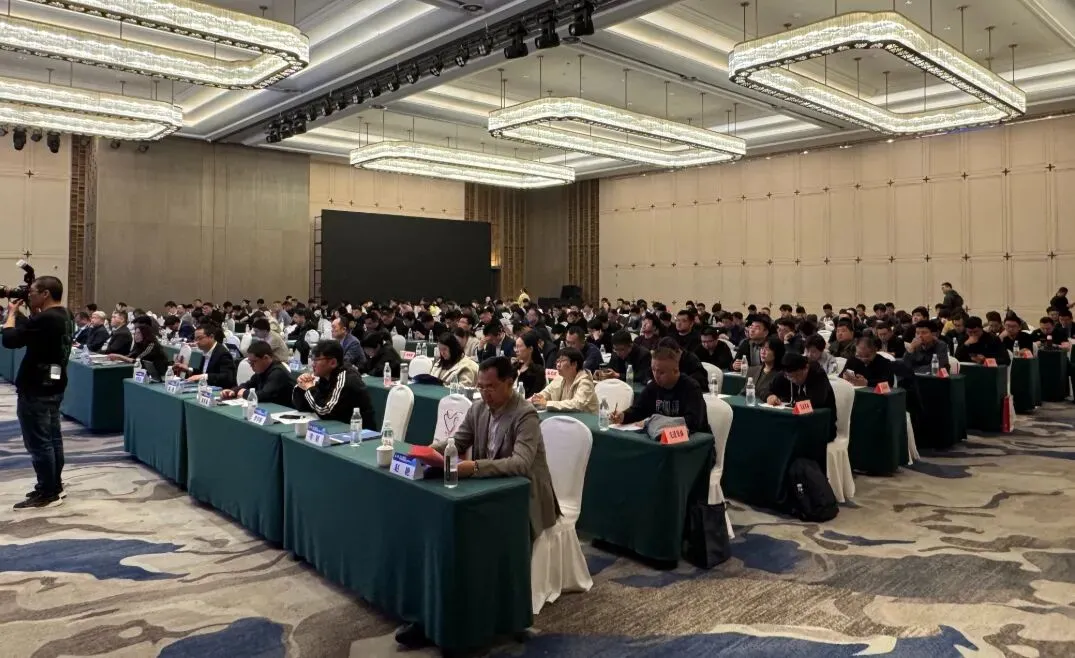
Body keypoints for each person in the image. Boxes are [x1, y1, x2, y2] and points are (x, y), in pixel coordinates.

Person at [399, 356, 560, 650]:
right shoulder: (478, 408)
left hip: (524, 495)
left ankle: (493, 621)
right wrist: (423, 452)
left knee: (475, 542)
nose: (485, 393)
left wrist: (472, 467)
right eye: (480, 387)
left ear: (509, 383)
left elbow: (521, 463)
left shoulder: (525, 414)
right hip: (488, 488)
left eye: (491, 387)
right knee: (446, 533)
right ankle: (434, 618)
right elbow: (457, 443)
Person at [3, 276, 73, 509]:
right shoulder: (65, 315)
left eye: (32, 292)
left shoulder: (46, 318)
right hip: (54, 384)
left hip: (36, 387)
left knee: (39, 443)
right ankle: (54, 485)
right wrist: (27, 313)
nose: (28, 295)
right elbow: (34, 331)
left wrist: (11, 314)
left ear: (45, 294)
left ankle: (47, 492)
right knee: (52, 439)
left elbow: (11, 339)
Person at [609, 347, 708, 433]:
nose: (656, 375)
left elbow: (692, 422)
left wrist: (651, 422)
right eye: (653, 370)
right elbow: (638, 410)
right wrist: (623, 416)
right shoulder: (653, 387)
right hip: (660, 435)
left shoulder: (691, 388)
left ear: (675, 371)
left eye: (661, 372)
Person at [292, 340, 376, 424]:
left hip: (357, 429)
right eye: (312, 360)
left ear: (333, 363)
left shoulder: (346, 378)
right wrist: (301, 387)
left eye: (316, 360)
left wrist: (309, 388)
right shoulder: (325, 376)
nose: (312, 364)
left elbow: (325, 411)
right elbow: (302, 407)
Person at [767, 353, 838, 443]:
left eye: (798, 375)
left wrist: (793, 405)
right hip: (795, 423)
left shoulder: (818, 374)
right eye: (790, 377)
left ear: (806, 367)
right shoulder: (786, 373)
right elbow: (765, 389)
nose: (795, 380)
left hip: (821, 426)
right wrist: (769, 396)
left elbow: (815, 402)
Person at [221, 340, 294, 406]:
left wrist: (244, 393)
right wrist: (233, 391)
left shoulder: (278, 372)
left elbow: (264, 395)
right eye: (250, 362)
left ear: (266, 358)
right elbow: (249, 384)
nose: (251, 365)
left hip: (286, 411)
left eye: (254, 362)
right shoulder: (262, 370)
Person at [531, 347, 599, 413]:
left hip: (586, 419)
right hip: (567, 418)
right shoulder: (560, 378)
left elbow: (577, 404)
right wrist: (536, 399)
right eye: (557, 361)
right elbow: (546, 392)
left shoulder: (585, 382)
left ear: (574, 364)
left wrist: (547, 403)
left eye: (562, 361)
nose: (558, 365)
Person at [172, 322, 237, 387]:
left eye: (200, 338)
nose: (196, 342)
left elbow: (227, 377)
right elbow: (203, 372)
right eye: (195, 339)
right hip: (205, 387)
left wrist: (203, 376)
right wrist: (188, 369)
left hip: (220, 389)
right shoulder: (206, 350)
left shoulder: (223, 353)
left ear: (211, 337)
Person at [742, 335, 784, 402]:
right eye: (761, 348)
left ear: (776, 352)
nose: (763, 352)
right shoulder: (752, 370)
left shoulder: (782, 374)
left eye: (767, 349)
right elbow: (743, 393)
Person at [512, 331, 547, 398]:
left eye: (519, 346)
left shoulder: (538, 371)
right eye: (515, 347)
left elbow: (533, 396)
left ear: (530, 349)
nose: (516, 350)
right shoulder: (515, 365)